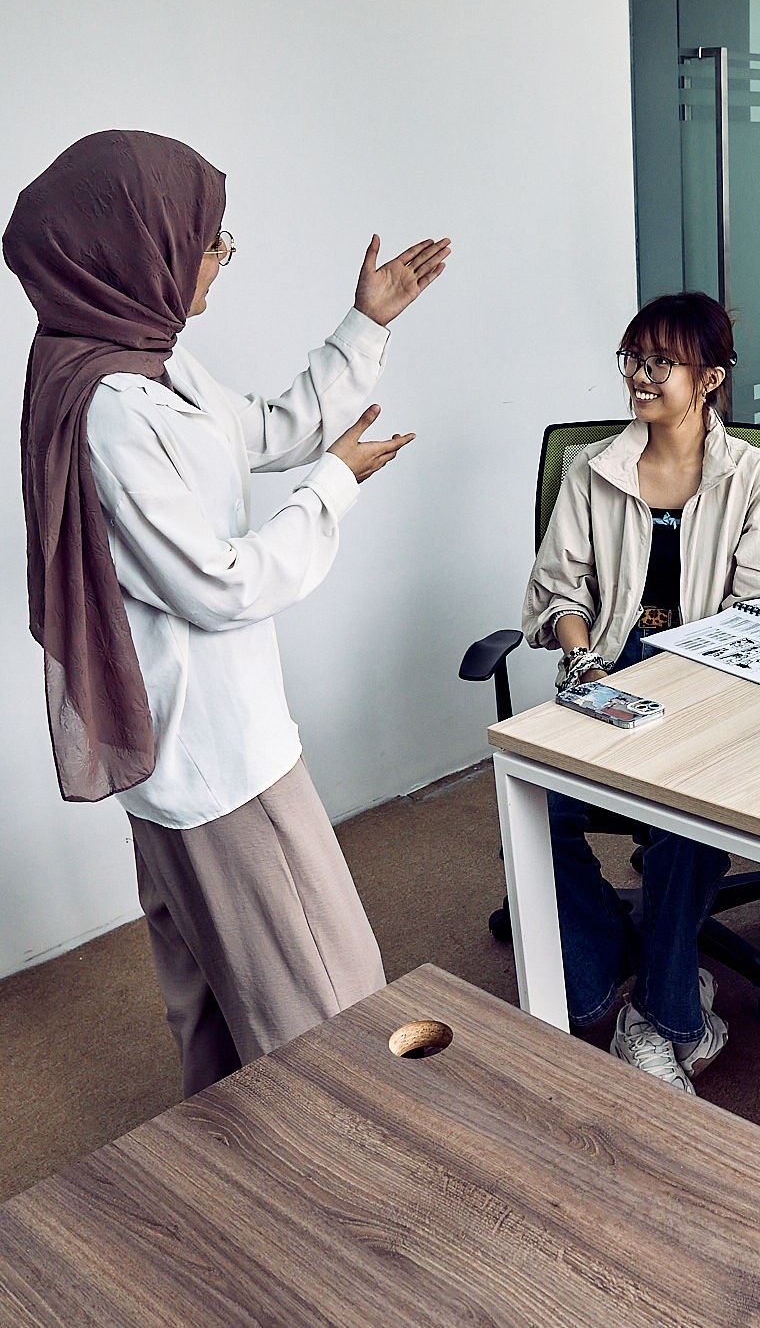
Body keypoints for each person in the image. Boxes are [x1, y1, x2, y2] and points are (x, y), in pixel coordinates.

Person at [4, 131, 449, 1098]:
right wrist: (335, 487)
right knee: (333, 1005)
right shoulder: (113, 410)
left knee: (211, 1002)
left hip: (176, 749)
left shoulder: (143, 364)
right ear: (139, 246)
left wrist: (364, 326)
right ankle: (364, 1205)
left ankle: (244, 1199)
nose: (218, 257)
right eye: (208, 239)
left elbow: (269, 427)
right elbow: (223, 585)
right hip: (220, 759)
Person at [521, 291, 760, 1094]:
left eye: (661, 363)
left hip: (714, 675)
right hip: (608, 667)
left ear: (709, 378)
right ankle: (630, 962)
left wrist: (694, 681)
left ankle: (662, 1014)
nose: (641, 378)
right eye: (633, 360)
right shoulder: (593, 471)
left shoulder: (753, 477)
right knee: (540, 804)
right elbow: (557, 590)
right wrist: (583, 667)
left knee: (690, 819)